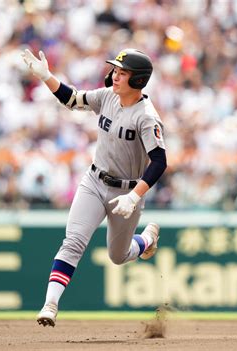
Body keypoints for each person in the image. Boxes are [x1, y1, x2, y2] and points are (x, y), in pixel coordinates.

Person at [22, 48, 167, 327]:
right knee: (73, 242)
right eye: (115, 70)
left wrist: (135, 196)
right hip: (94, 180)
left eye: (123, 73)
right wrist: (47, 77)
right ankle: (50, 304)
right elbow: (73, 99)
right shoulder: (107, 97)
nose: (115, 76)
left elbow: (159, 161)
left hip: (125, 192)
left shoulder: (146, 116)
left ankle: (146, 240)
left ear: (138, 80)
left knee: (118, 256)